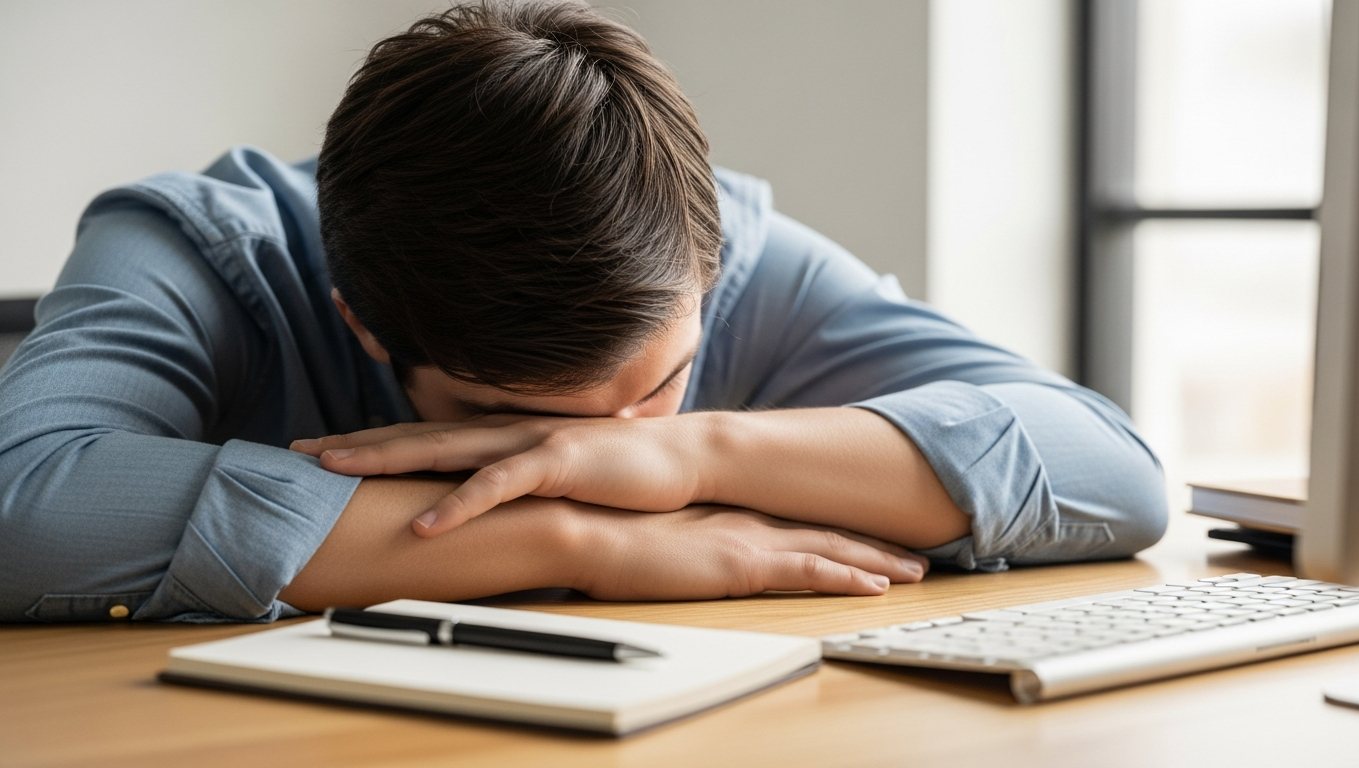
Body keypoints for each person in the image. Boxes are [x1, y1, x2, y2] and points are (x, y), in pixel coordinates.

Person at [0, 1, 1166, 624]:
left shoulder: (712, 249)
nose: (592, 451)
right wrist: (578, 538)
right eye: (507, 423)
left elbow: (1111, 469)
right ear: (361, 322)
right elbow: (24, 514)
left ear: (708, 281)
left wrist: (688, 450)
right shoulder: (197, 244)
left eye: (658, 387)